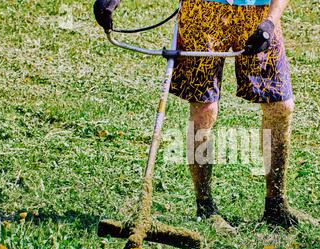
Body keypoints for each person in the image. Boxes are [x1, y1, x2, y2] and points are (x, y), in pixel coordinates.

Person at [95, 0, 306, 229]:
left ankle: (276, 204)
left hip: (258, 13)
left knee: (280, 106)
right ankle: (205, 207)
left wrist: (271, 21)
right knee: (204, 109)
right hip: (204, 9)